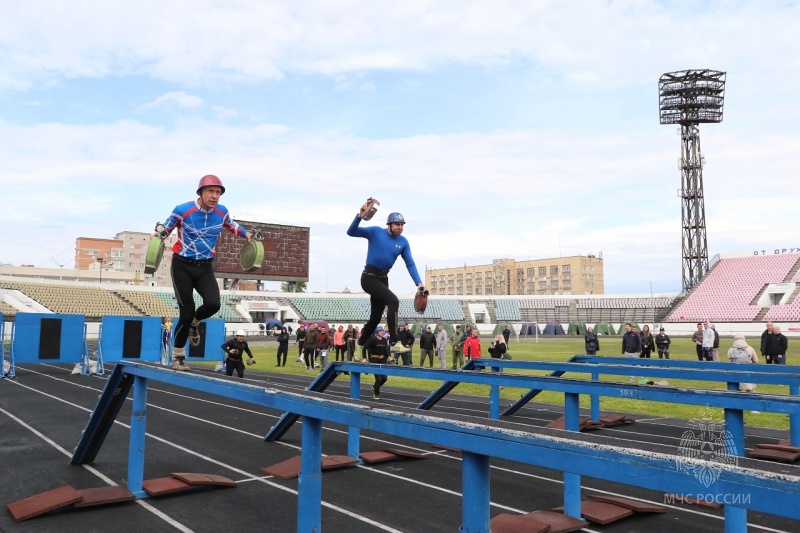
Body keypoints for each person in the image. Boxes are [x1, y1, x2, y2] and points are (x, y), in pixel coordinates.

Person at [160, 175, 252, 371]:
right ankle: (178, 357)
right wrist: (157, 232)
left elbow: (231, 225)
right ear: (200, 192)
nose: (215, 196)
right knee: (186, 313)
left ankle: (195, 323)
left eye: (218, 192)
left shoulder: (222, 211)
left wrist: (247, 234)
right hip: (182, 266)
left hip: (204, 267)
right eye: (210, 191)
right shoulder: (182, 210)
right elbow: (165, 229)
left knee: (213, 304)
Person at [347, 209, 424, 349]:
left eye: (402, 225)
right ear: (389, 224)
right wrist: (359, 216)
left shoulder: (403, 242)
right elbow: (351, 232)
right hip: (369, 278)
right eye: (396, 224)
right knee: (393, 301)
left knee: (376, 318)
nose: (399, 227)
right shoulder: (376, 232)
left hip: (383, 279)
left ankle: (360, 342)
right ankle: (394, 340)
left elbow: (410, 263)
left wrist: (419, 283)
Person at [363, 326, 391, 399]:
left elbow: (386, 349)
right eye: (380, 331)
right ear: (377, 332)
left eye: (382, 331)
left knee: (384, 378)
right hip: (374, 361)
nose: (382, 332)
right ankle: (376, 394)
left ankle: (375, 387)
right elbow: (364, 348)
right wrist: (364, 358)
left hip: (382, 360)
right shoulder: (373, 340)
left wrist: (389, 356)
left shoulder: (384, 340)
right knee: (378, 379)